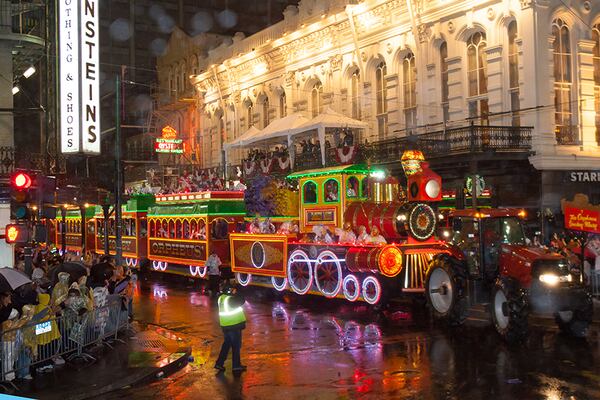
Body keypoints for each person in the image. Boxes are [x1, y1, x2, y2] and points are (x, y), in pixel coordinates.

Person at [214, 282, 247, 373]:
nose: (234, 290)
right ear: (229, 290)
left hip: (226, 325)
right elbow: (242, 300)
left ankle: (219, 363)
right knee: (236, 346)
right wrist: (236, 293)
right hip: (234, 325)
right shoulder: (230, 299)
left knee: (226, 345)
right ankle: (236, 366)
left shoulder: (221, 298)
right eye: (232, 289)